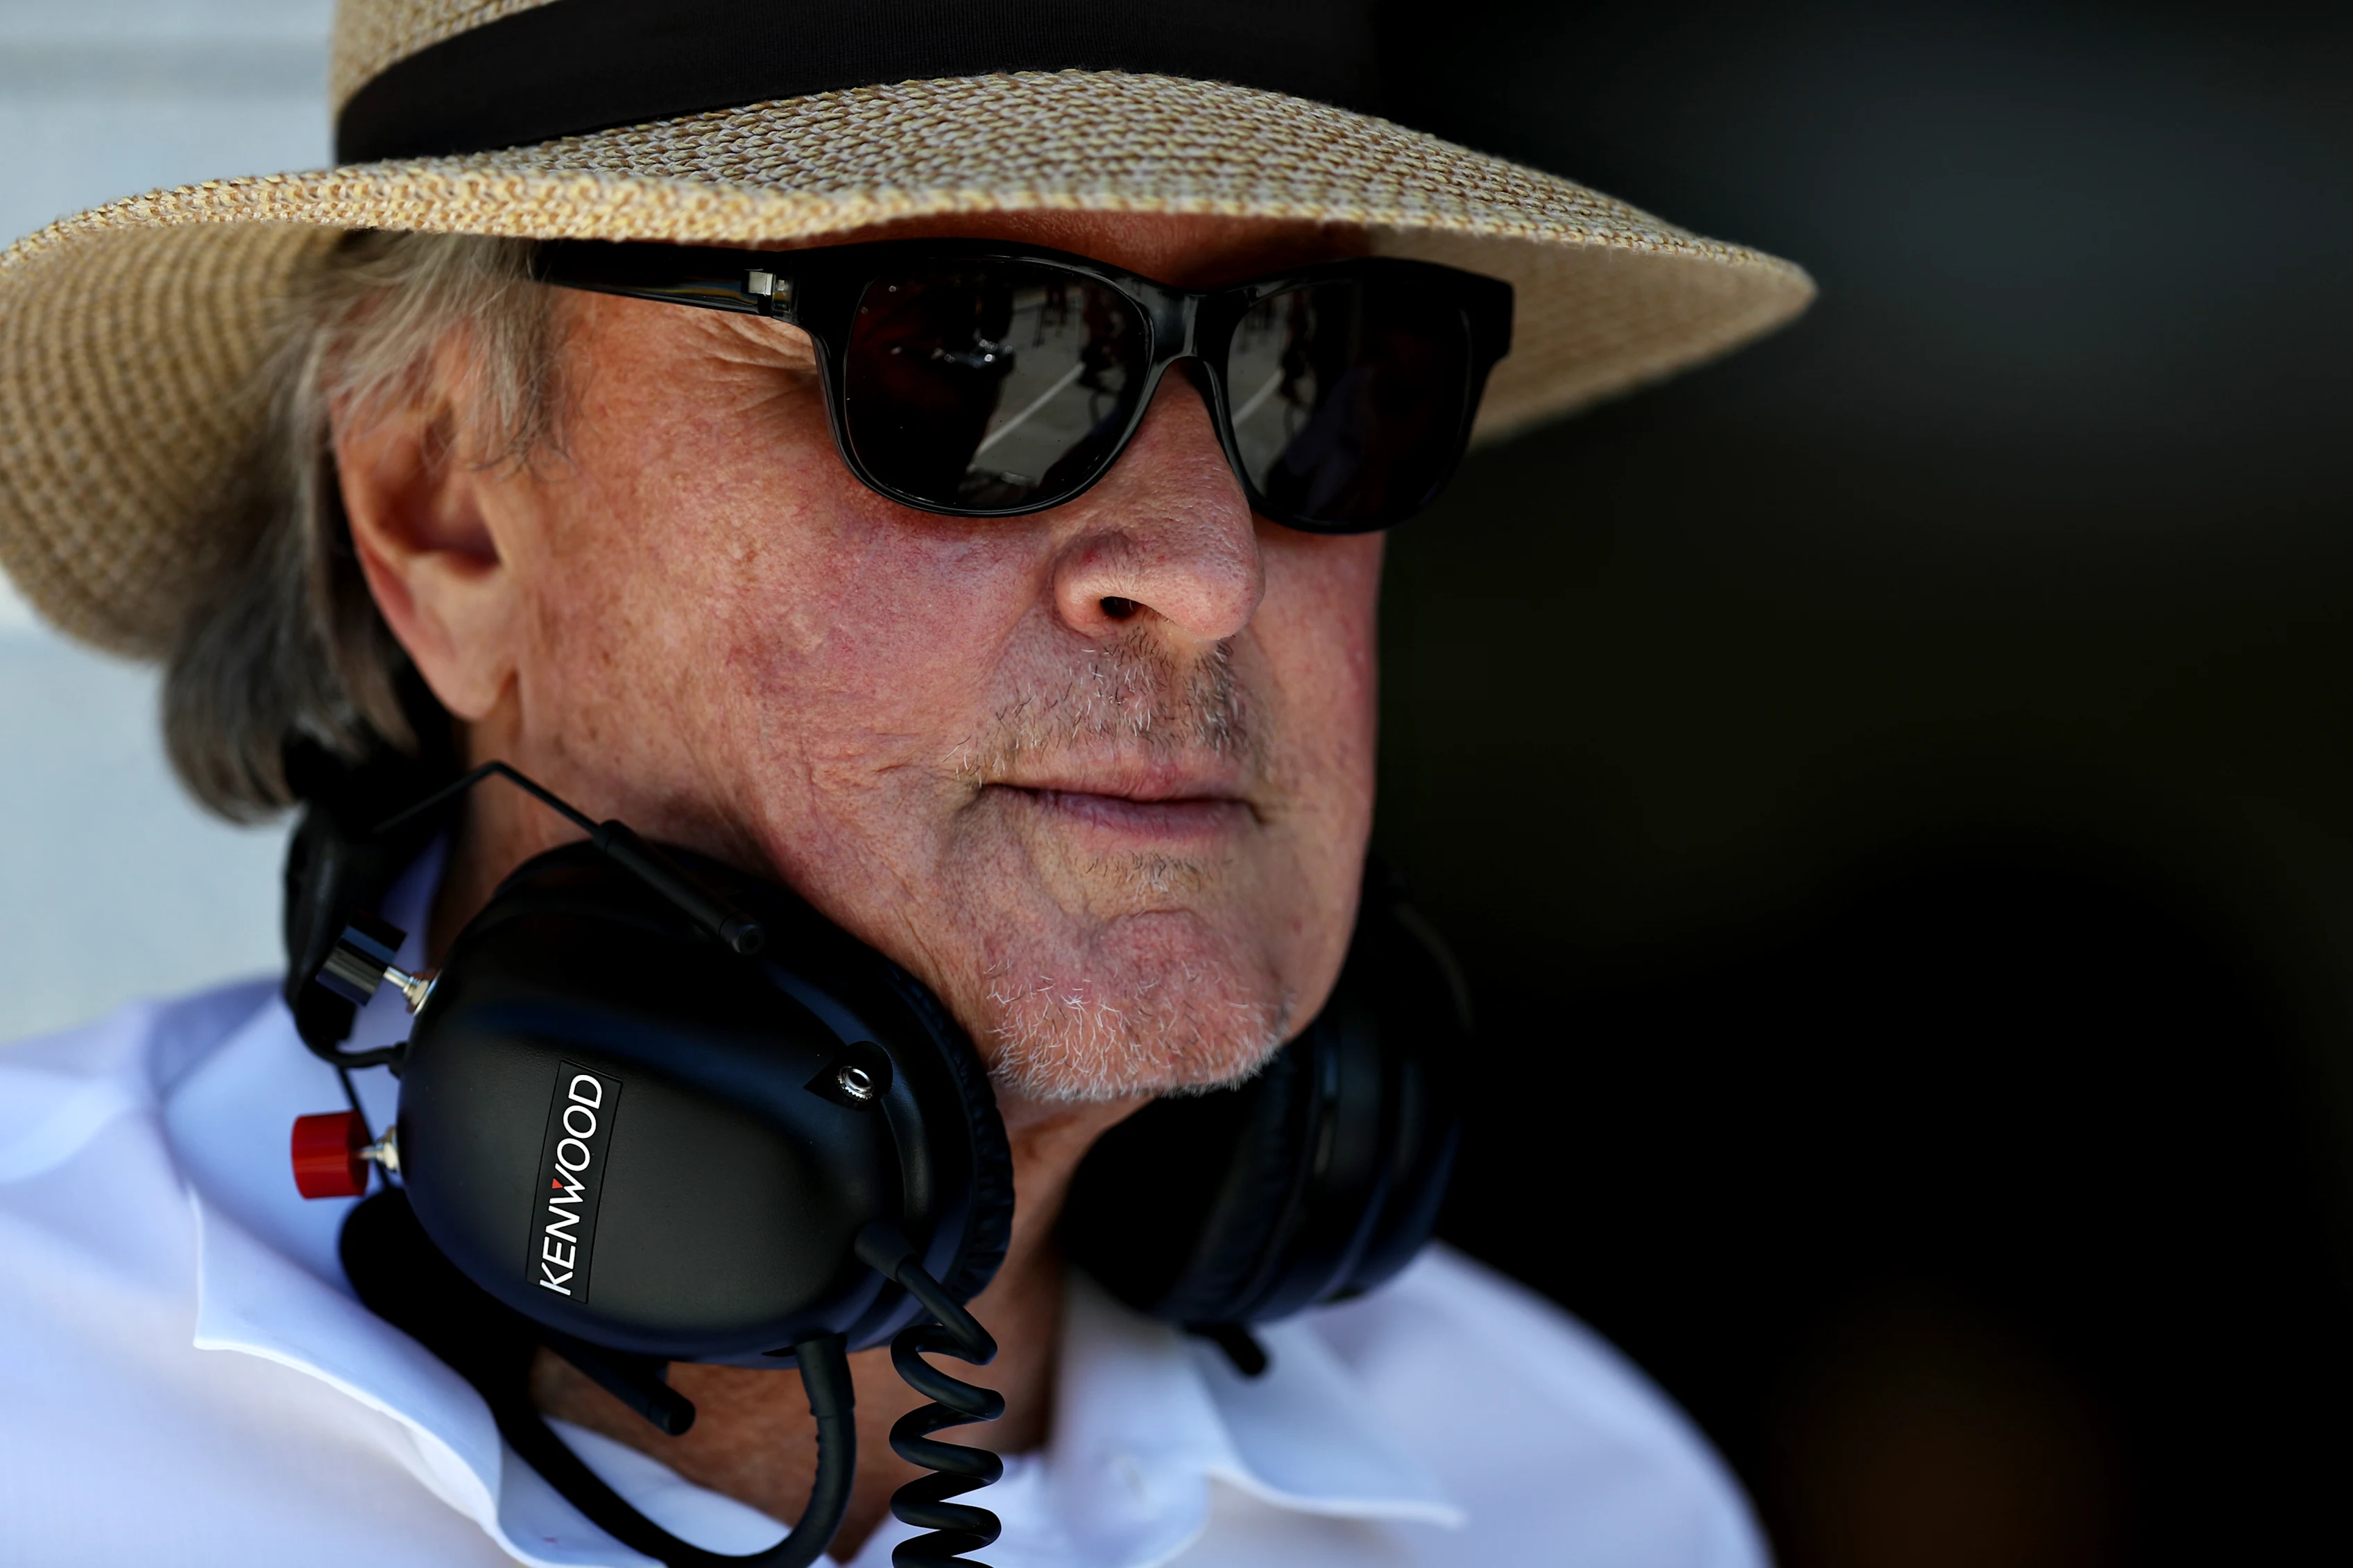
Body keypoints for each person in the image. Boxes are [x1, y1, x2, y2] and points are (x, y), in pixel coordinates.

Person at [0, 3, 1811, 1564]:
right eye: (965, 353)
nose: (1209, 571)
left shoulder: (1580, 1506)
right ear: (441, 508)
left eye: (1317, 365)